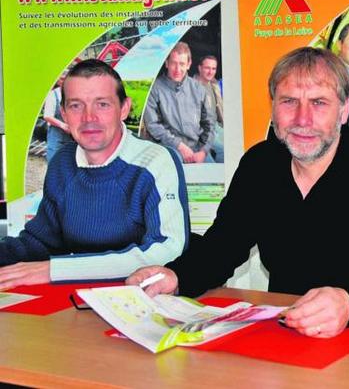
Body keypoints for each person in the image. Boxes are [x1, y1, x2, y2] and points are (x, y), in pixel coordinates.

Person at [128, 47, 349, 338]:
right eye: (289, 101)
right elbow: (223, 246)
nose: (302, 119)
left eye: (319, 102)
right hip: (286, 332)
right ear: (273, 107)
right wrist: (176, 276)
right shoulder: (260, 164)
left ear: (343, 110)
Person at [0, 59, 190, 288]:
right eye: (76, 106)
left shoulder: (155, 161)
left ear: (124, 109)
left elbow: (165, 251)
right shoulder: (62, 162)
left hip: (140, 302)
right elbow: (40, 242)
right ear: (64, 113)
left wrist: (56, 270)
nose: (89, 118)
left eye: (102, 104)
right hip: (76, 299)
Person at [143, 42, 215, 163]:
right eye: (173, 63)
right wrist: (179, 145)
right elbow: (152, 125)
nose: (177, 69)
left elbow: (209, 124)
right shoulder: (155, 89)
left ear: (188, 64)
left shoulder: (198, 89)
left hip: (197, 149)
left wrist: (203, 151)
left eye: (182, 64)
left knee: (214, 176)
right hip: (170, 147)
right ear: (166, 63)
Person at [195, 54, 224, 162]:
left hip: (216, 125)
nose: (210, 72)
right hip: (204, 128)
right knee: (224, 150)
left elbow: (219, 108)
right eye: (207, 68)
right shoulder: (192, 87)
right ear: (200, 68)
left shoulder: (213, 84)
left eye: (213, 69)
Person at [42, 77, 75, 162]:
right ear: (58, 81)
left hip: (72, 137)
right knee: (54, 162)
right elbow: (47, 116)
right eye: (61, 79)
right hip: (56, 136)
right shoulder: (53, 95)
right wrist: (63, 125)